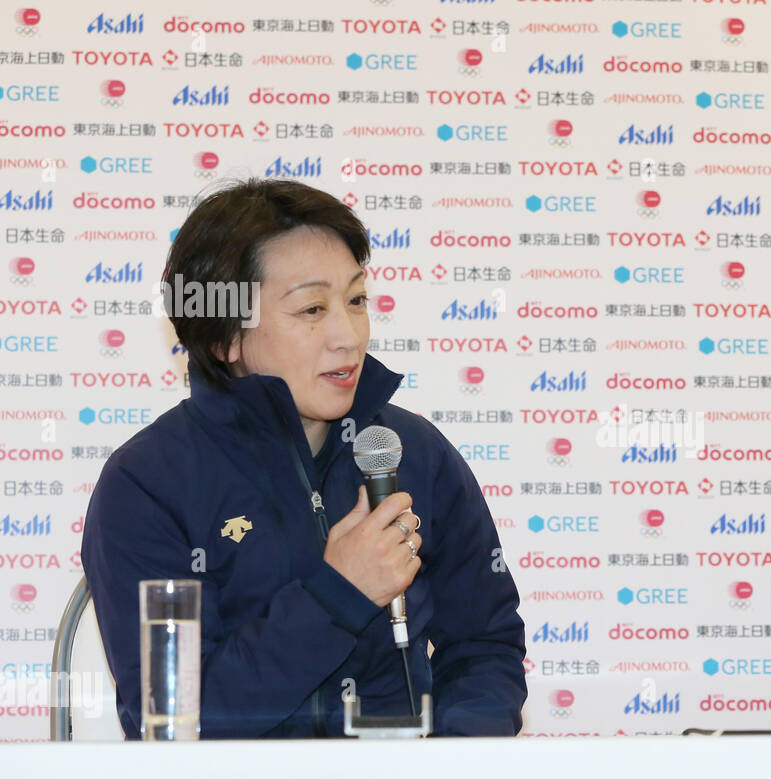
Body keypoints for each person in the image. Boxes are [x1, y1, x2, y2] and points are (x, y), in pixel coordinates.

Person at [81, 178, 527, 738]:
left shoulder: (415, 453)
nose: (348, 336)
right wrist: (339, 592)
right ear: (226, 338)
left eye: (357, 300)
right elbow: (176, 721)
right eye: (312, 308)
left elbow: (485, 647)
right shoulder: (146, 483)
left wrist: (442, 774)